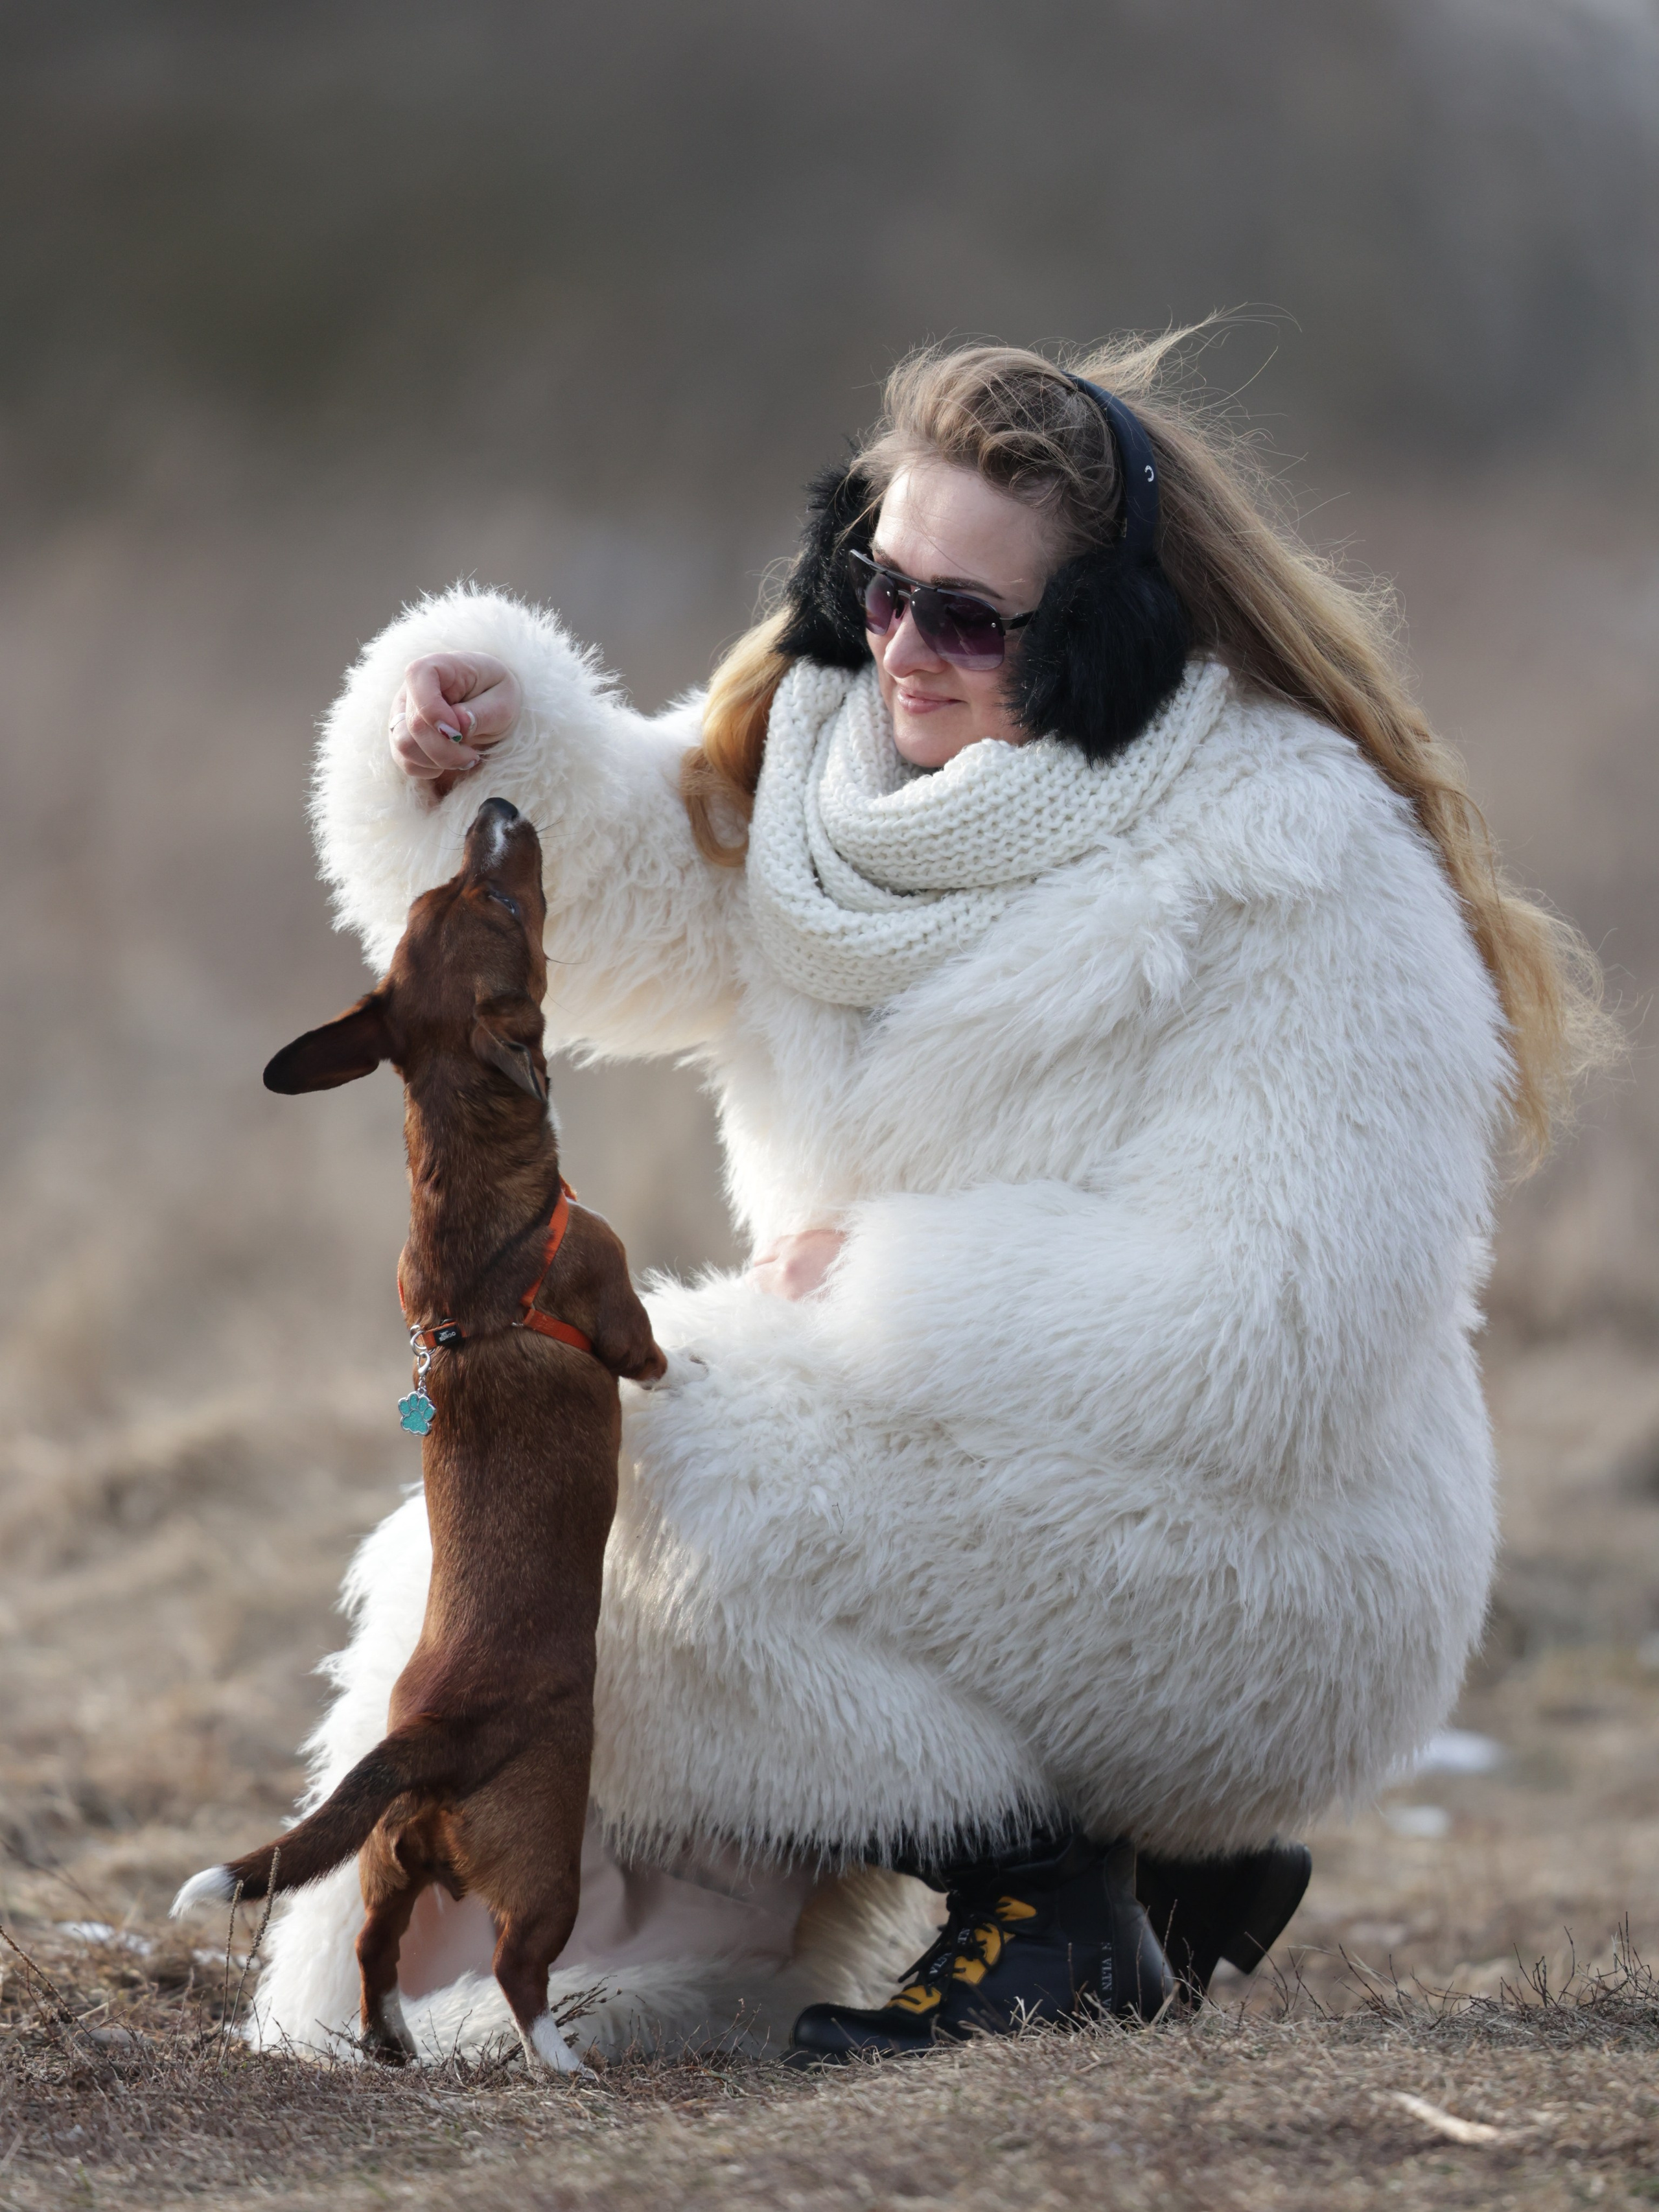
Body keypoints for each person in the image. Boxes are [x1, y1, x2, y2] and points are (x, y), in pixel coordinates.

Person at [250, 340, 1604, 2065]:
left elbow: (1287, 1336)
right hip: (960, 1469)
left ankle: (1054, 1899)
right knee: (577, 1478)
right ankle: (636, 1981)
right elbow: (620, 909)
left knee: (647, 1498)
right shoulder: (836, 786)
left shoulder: (1291, 859)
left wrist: (880, 1295)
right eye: (879, 587)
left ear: (1109, 628)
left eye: (970, 620)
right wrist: (473, 745)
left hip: (1270, 1555)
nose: (902, 648)